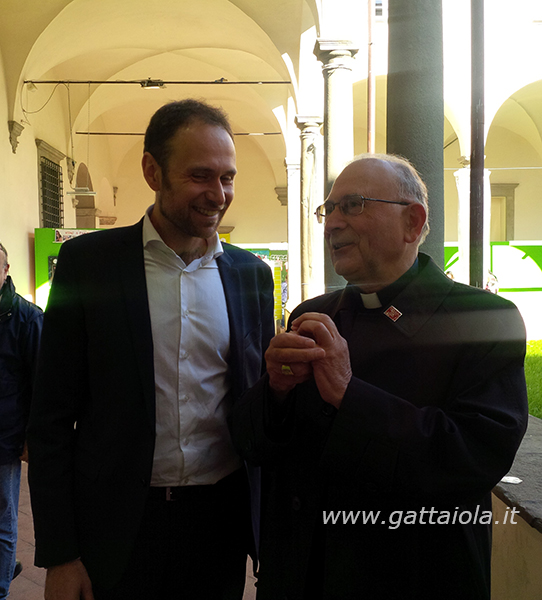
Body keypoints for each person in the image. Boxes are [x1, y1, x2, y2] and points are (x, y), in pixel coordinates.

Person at [231, 154, 529, 600]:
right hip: (303, 575)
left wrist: (350, 394)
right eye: (328, 209)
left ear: (413, 222)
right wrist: (273, 391)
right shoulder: (312, 314)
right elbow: (255, 446)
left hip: (414, 576)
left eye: (353, 205)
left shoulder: (485, 318)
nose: (332, 223)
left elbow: (474, 458)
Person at [27, 99, 275, 600]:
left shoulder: (251, 277)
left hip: (218, 524)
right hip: (116, 526)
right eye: (200, 175)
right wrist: (59, 554)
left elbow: (257, 407)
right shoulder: (89, 265)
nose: (218, 194)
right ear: (151, 170)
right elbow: (51, 418)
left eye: (227, 177)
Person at [0, 243, 43, 599]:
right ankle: (5, 566)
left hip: (4, 437)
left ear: (6, 270)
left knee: (3, 519)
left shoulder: (27, 318)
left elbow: (42, 382)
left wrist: (31, 435)